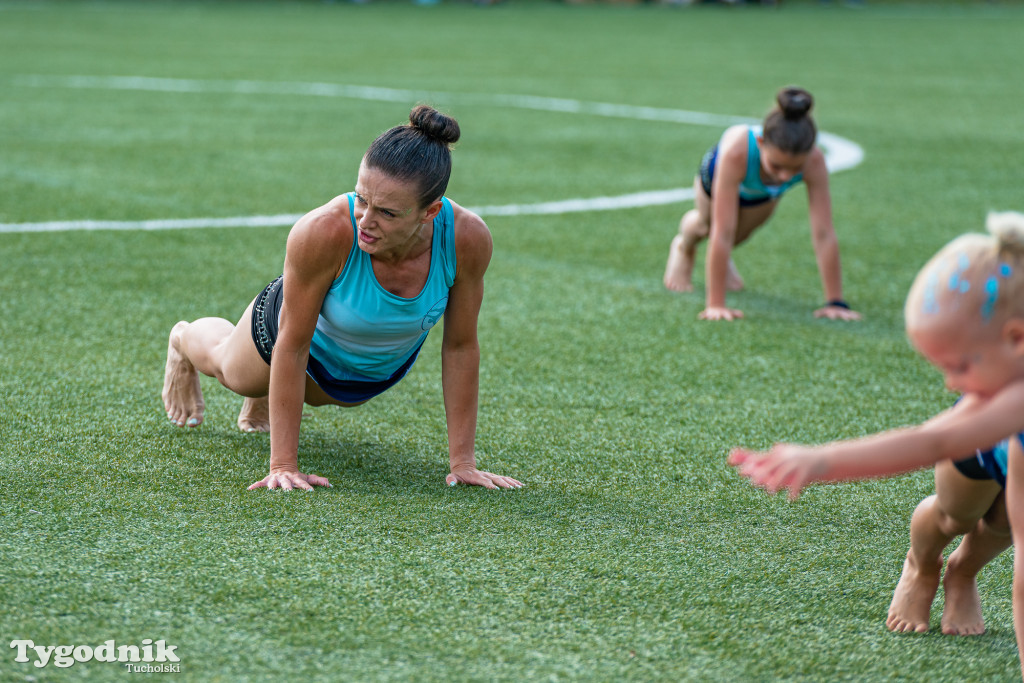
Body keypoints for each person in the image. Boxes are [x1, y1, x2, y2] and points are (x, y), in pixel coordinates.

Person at [161, 105, 522, 492]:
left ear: (429, 212)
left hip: (362, 375)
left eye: (386, 212)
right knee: (233, 372)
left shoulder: (466, 240)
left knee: (320, 398)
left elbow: (461, 346)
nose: (365, 221)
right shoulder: (322, 231)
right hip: (291, 336)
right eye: (361, 198)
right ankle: (184, 339)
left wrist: (463, 463)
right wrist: (283, 464)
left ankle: (271, 394)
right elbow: (293, 345)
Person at [729, 212, 1024, 676]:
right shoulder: (996, 396)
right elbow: (931, 441)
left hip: (1017, 455)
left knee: (1005, 529)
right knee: (955, 515)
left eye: (959, 367)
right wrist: (820, 460)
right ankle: (922, 562)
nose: (951, 385)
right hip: (980, 448)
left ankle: (962, 573)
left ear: (1017, 339)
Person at [663, 86, 861, 322]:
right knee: (709, 226)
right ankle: (684, 246)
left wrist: (835, 302)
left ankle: (722, 259)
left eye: (794, 169)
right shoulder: (737, 152)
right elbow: (722, 232)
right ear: (761, 142)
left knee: (740, 235)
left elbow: (824, 233)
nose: (785, 176)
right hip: (716, 175)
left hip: (762, 189)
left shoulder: (814, 162)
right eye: (777, 166)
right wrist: (716, 304)